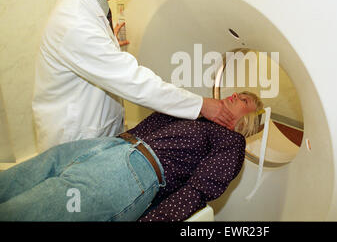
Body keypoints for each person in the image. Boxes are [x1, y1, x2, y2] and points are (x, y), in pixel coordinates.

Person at [32, 0, 233, 153]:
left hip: (96, 136)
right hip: (74, 146)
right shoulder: (76, 23)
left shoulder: (88, 11)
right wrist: (202, 105)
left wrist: (108, 43)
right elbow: (136, 82)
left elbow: (95, 56)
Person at [0, 92, 264, 221]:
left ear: (246, 120)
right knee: (37, 169)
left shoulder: (231, 142)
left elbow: (197, 190)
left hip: (135, 169)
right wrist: (197, 107)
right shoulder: (197, 112)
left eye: (242, 99)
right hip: (111, 146)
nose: (233, 95)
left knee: (42, 203)